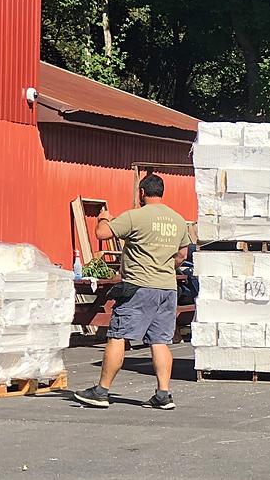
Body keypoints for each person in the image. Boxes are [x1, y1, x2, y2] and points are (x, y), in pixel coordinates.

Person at [73, 174, 190, 410]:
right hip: (167, 287)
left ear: (142, 193)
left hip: (138, 286)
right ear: (162, 192)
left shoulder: (136, 216)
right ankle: (163, 394)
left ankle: (101, 391)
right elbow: (182, 255)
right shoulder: (178, 220)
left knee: (118, 335)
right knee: (160, 340)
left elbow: (102, 234)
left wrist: (103, 219)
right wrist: (164, 268)